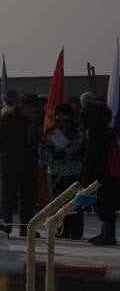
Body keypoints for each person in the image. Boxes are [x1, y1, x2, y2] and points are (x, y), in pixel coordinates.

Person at [0, 93, 37, 237]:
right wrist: (7, 151)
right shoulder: (7, 119)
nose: (34, 111)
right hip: (10, 165)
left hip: (28, 165)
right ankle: (4, 230)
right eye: (31, 107)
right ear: (23, 106)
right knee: (7, 200)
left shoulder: (33, 121)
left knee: (28, 201)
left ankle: (27, 229)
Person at [43, 103, 85, 238]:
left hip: (73, 171)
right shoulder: (50, 131)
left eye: (64, 114)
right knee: (58, 203)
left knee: (74, 203)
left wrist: (69, 153)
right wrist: (52, 155)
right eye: (58, 114)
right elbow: (43, 152)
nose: (60, 117)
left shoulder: (77, 131)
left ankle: (76, 231)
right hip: (55, 172)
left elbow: (80, 149)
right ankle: (62, 229)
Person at [82, 100, 118, 246]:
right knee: (106, 204)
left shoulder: (96, 132)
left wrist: (85, 170)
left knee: (105, 205)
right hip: (109, 173)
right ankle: (105, 233)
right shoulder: (107, 130)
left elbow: (92, 156)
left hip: (101, 174)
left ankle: (108, 235)